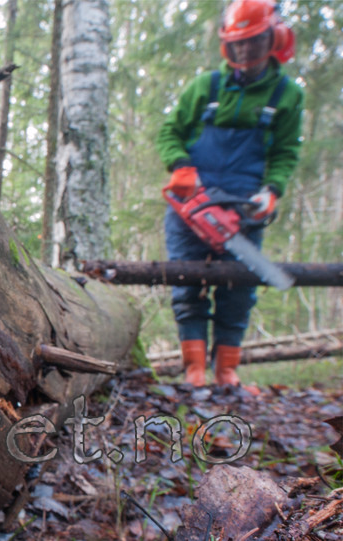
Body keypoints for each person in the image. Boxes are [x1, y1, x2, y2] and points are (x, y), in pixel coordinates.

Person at [155, 0, 304, 393]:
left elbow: (285, 153)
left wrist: (272, 191)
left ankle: (226, 374)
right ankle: (194, 372)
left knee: (239, 289)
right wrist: (181, 166)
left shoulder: (287, 95)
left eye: (252, 42)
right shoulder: (207, 87)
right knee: (188, 284)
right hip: (194, 201)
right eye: (236, 43)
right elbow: (169, 131)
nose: (243, 51)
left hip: (244, 205)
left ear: (274, 38)